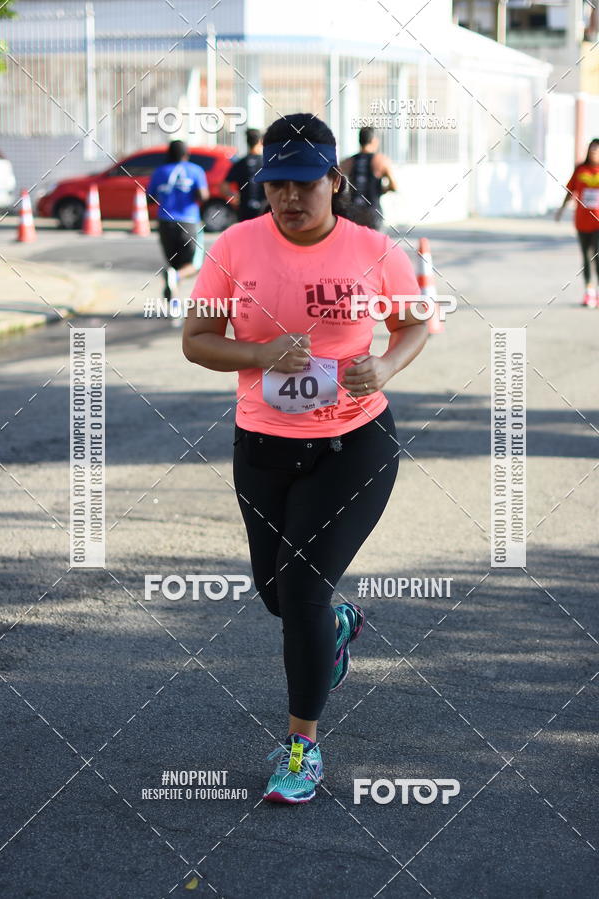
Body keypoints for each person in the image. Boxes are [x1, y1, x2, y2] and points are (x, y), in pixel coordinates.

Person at [182, 113, 427, 805]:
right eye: (276, 183)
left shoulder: (375, 249)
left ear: (333, 179)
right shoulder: (234, 245)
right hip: (262, 446)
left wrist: (383, 366)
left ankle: (302, 746)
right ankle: (337, 626)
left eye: (303, 183)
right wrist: (259, 354)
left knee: (302, 590)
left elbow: (413, 324)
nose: (288, 197)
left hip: (355, 445)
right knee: (276, 595)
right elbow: (196, 338)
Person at [146, 139, 209, 305]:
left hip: (165, 223)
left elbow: (149, 198)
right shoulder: (196, 171)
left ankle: (173, 300)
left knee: (173, 265)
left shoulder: (160, 172)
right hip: (189, 222)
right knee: (193, 265)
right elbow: (203, 196)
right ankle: (176, 280)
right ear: (186, 154)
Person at [556, 137, 599, 307]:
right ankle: (589, 292)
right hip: (582, 221)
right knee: (586, 256)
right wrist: (561, 209)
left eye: (597, 150)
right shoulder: (581, 169)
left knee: (597, 254)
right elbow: (570, 190)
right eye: (592, 149)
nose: (594, 153)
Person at [340, 126, 397, 231]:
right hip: (373, 212)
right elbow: (394, 186)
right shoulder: (381, 161)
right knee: (376, 245)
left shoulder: (347, 162)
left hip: (354, 213)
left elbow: (335, 182)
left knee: (355, 245)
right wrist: (380, 190)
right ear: (374, 141)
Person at [222, 128, 266, 221]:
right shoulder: (267, 162)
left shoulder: (240, 163)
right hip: (264, 211)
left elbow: (224, 186)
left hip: (244, 211)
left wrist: (233, 196)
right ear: (260, 141)